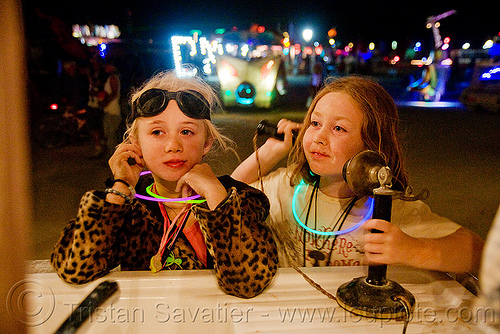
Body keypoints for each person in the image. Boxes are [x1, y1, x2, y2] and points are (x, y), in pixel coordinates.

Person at [51, 71, 278, 299]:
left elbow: (247, 282)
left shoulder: (240, 199)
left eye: (186, 131)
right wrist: (120, 187)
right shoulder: (129, 209)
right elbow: (75, 268)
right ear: (135, 142)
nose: (173, 145)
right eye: (157, 132)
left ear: (207, 142)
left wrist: (215, 194)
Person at [231, 75, 484, 274]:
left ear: (373, 142)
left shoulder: (388, 207)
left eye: (339, 128)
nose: (319, 137)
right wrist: (268, 154)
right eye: (315, 123)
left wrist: (413, 249)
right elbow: (227, 196)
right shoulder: (287, 185)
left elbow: (476, 251)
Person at [101, 61, 122, 156]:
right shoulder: (111, 78)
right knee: (110, 134)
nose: (105, 67)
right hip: (110, 109)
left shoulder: (113, 78)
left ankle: (114, 156)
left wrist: (105, 102)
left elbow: (114, 93)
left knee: (111, 135)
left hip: (112, 110)